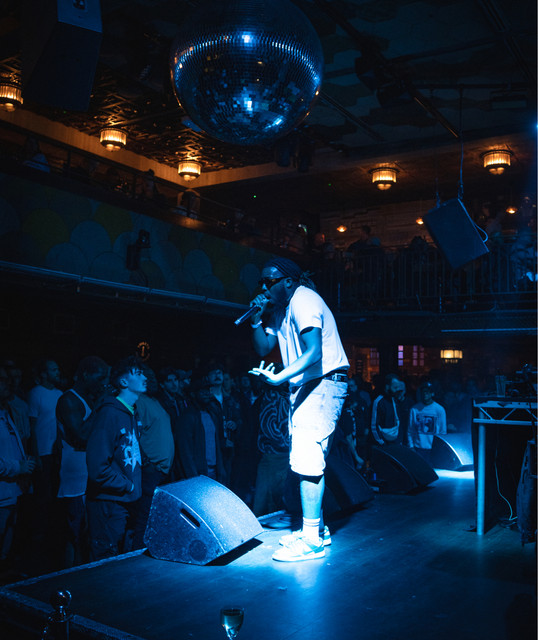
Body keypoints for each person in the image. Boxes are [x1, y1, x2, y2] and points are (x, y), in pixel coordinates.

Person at [248, 256, 349, 562]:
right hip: (307, 387)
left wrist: (280, 377)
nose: (263, 287)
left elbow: (314, 352)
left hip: (322, 383)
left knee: (308, 461)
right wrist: (256, 319)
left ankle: (311, 539)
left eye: (270, 281)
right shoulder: (281, 310)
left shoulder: (304, 299)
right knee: (307, 460)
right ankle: (317, 530)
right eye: (261, 282)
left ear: (289, 281)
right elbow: (264, 348)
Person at [85, 356, 144, 560]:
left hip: (125, 500)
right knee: (104, 559)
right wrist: (127, 485)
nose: (145, 377)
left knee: (118, 558)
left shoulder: (131, 413)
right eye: (138, 374)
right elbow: (97, 468)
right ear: (123, 381)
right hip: (109, 502)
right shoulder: (109, 413)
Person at [55, 356, 109, 567]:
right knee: (76, 531)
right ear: (85, 374)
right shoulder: (69, 399)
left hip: (88, 472)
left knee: (87, 530)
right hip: (75, 476)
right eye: (100, 377)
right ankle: (70, 574)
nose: (103, 382)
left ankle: (82, 570)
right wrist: (100, 403)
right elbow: (82, 436)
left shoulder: (87, 398)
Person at [0, 366, 36, 571]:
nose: (8, 383)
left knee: (7, 543)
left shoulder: (6, 413)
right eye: (2, 379)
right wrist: (18, 467)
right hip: (3, 492)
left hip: (12, 491)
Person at [407, 381, 447, 464]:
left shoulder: (439, 409)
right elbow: (410, 429)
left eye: (427, 392)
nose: (425, 394)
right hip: (418, 447)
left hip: (433, 448)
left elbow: (443, 431)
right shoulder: (414, 409)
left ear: (432, 393)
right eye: (423, 392)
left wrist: (440, 448)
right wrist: (411, 446)